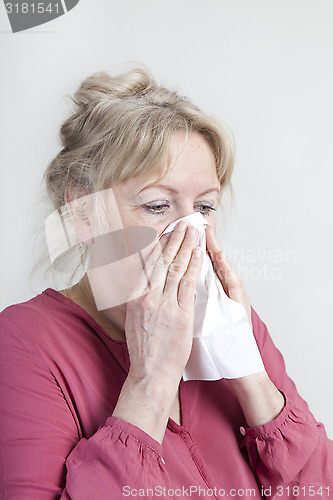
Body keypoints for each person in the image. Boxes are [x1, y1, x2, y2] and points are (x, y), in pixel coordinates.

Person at [0, 67, 332, 500]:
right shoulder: (24, 343)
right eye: (157, 205)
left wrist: (252, 378)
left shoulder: (235, 323)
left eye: (205, 206)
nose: (190, 230)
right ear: (82, 214)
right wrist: (150, 384)